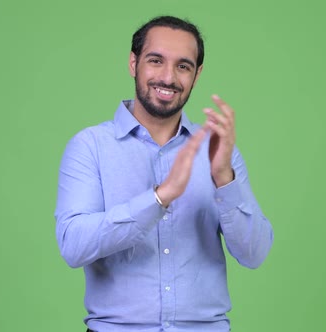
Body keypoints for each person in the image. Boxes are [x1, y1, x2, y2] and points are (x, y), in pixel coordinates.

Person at [54, 15, 273, 332]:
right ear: (133, 63)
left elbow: (254, 254)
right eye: (156, 61)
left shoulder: (218, 151)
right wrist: (159, 198)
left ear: (196, 75)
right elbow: (74, 247)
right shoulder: (90, 146)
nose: (168, 77)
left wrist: (225, 179)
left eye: (183, 66)